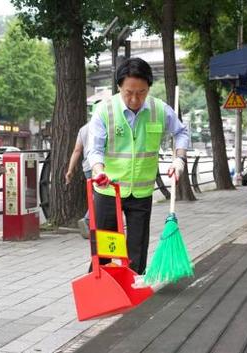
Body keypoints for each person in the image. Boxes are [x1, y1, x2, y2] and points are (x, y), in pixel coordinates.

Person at [87, 57, 189, 275]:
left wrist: (179, 159)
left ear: (149, 87)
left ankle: (133, 289)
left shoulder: (159, 109)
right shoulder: (104, 111)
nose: (135, 99)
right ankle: (100, 288)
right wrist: (99, 170)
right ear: (119, 87)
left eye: (141, 92)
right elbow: (94, 150)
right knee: (105, 248)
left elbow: (181, 132)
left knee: (137, 250)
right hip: (108, 189)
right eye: (129, 92)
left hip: (141, 191)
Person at [65, 122, 91, 239]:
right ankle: (87, 219)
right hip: (101, 166)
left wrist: (70, 170)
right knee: (101, 196)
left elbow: (77, 150)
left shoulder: (84, 129)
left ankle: (92, 221)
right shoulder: (106, 124)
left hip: (87, 168)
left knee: (95, 195)